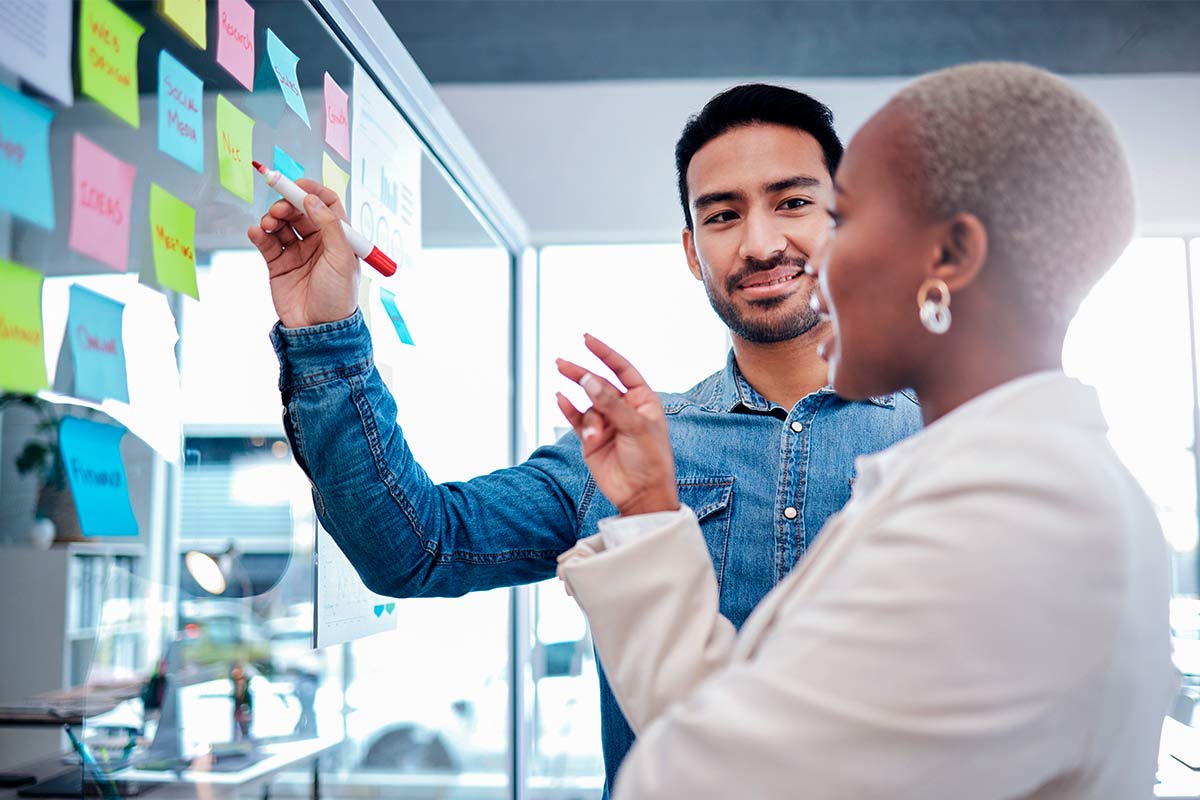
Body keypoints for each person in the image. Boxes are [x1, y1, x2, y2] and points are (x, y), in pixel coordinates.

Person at [246, 84, 922, 786]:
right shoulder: (626, 449)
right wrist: (323, 334)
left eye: (793, 202)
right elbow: (416, 548)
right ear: (693, 251)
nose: (759, 242)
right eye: (723, 215)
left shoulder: (943, 435)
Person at [554, 62, 1176, 799]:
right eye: (723, 216)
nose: (800, 260)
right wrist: (655, 512)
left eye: (837, 218)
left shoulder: (1021, 514)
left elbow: (709, 781)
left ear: (948, 258)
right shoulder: (994, 478)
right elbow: (748, 728)